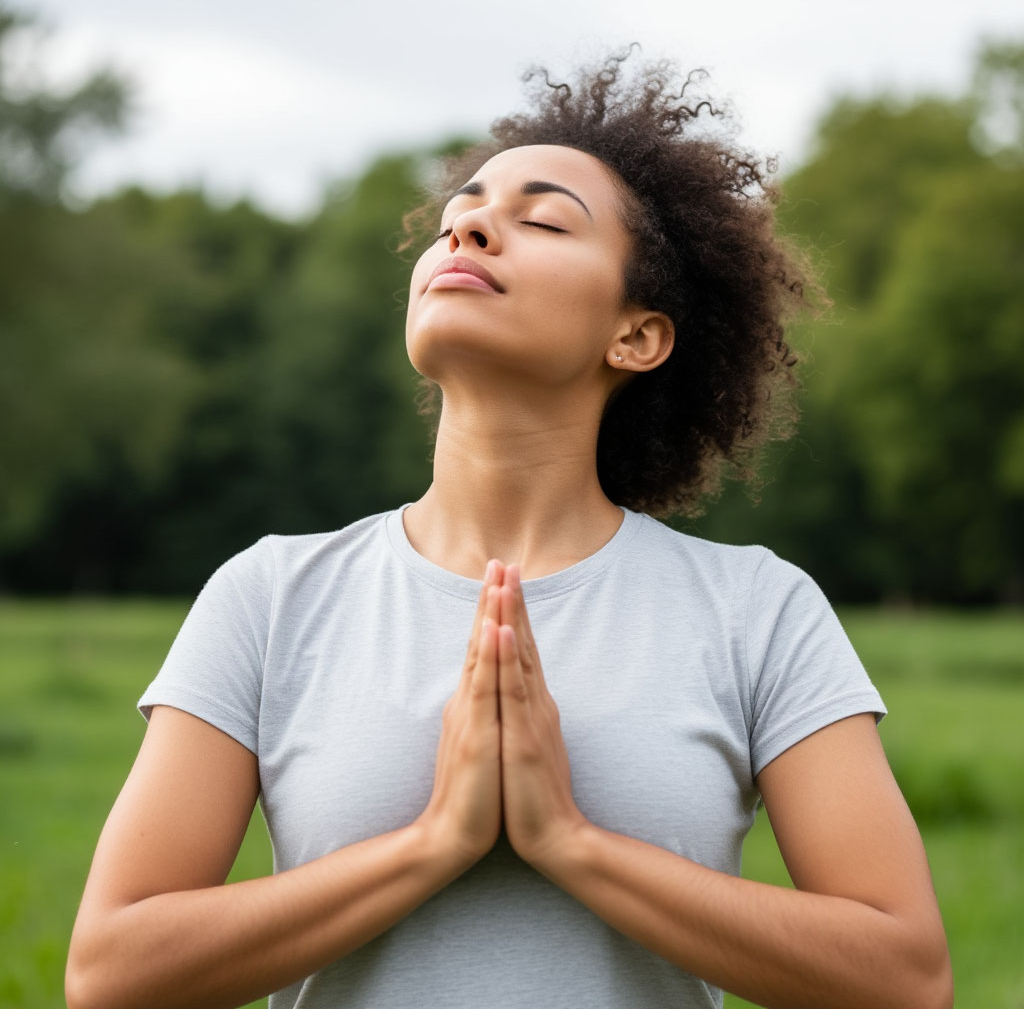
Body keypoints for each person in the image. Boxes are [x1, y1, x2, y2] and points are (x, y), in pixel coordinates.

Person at [66, 49, 952, 1009]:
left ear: (637, 336)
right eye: (459, 216)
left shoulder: (757, 610)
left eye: (541, 221)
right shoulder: (272, 595)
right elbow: (111, 973)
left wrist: (570, 841)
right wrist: (435, 841)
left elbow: (905, 977)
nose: (470, 227)